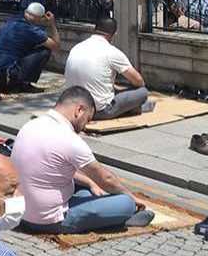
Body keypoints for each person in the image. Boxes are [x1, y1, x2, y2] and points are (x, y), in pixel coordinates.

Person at [13, 87, 148, 234]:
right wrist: (132, 197)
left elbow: (51, 169)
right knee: (125, 203)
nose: (85, 126)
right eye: (87, 119)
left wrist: (90, 182)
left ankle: (105, 212)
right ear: (79, 110)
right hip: (48, 220)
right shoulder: (69, 139)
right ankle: (119, 218)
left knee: (87, 189)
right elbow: (106, 179)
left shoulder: (30, 125)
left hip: (21, 213)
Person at [64, 18, 148, 120]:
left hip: (73, 107)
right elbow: (139, 81)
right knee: (142, 92)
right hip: (99, 110)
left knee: (117, 90)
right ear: (114, 34)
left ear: (94, 29)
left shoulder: (77, 47)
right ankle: (129, 109)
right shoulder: (112, 52)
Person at [0, 2, 59, 94]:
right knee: (44, 51)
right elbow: (56, 46)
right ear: (38, 18)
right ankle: (21, 84)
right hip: (5, 76)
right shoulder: (30, 30)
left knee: (30, 47)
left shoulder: (13, 20)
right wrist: (52, 24)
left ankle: (16, 83)